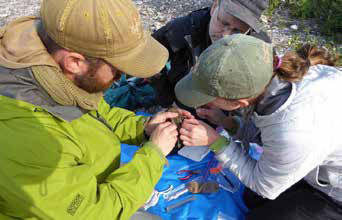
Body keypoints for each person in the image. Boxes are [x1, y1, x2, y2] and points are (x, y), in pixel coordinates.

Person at [0, 0, 192, 219]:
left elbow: (94, 112)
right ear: (74, 62)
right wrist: (154, 155)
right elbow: (94, 212)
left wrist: (144, 127)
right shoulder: (27, 140)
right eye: (118, 70)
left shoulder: (52, 68)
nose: (124, 77)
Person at [175, 34, 342, 219]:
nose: (206, 103)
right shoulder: (278, 74)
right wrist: (225, 122)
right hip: (312, 155)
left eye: (209, 99)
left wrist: (215, 141)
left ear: (239, 103)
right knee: (248, 198)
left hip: (335, 194)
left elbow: (264, 186)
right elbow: (266, 131)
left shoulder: (294, 131)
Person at [151, 0, 271, 108]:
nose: (225, 36)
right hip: (182, 94)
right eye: (224, 23)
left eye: (237, 30)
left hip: (223, 108)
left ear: (249, 29)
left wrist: (230, 121)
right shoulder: (181, 29)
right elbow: (149, 59)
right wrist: (168, 100)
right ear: (214, 7)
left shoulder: (260, 48)